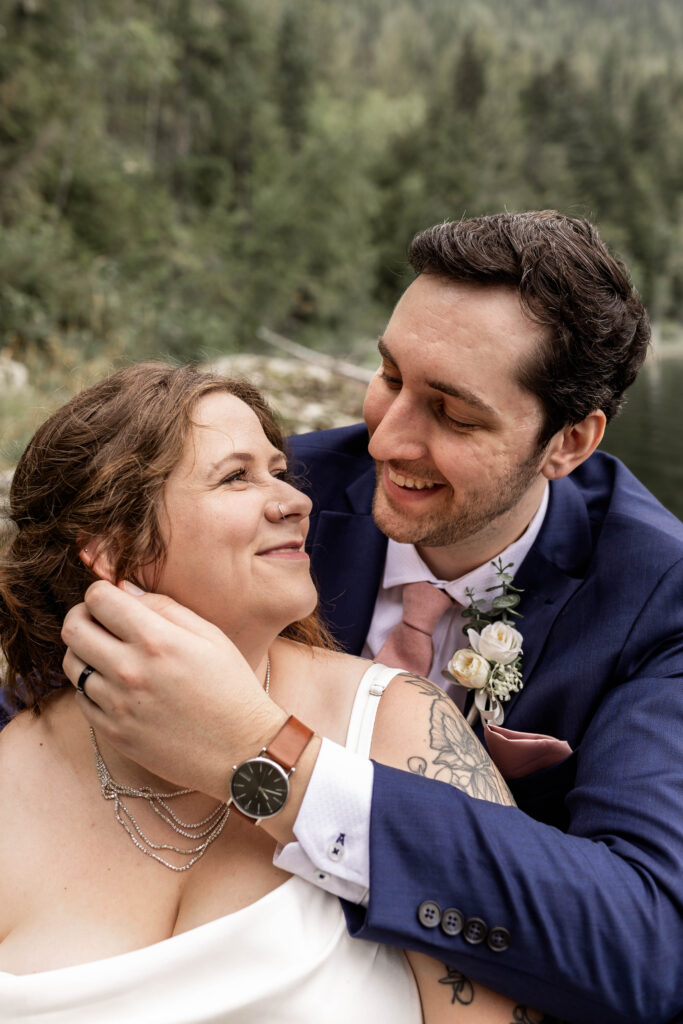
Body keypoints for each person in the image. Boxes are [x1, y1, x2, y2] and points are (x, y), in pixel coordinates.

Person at [56, 212, 683, 1024]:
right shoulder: (279, 499)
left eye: (452, 413)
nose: (386, 439)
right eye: (389, 375)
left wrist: (265, 759)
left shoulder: (656, 595)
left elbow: (644, 946)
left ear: (567, 443)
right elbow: (45, 688)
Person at [0, 362, 547, 1023]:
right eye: (236, 476)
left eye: (278, 472)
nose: (296, 502)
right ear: (113, 548)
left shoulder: (400, 725)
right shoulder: (13, 772)